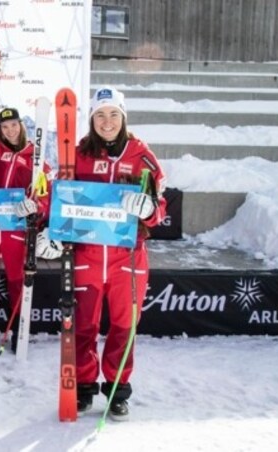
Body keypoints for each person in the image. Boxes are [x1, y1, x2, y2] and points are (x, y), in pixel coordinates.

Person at [73, 86, 167, 421]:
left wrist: (149, 209)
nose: (107, 121)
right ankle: (83, 386)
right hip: (86, 254)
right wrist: (48, 230)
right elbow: (61, 198)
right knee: (82, 325)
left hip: (127, 256)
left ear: (123, 117)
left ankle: (116, 389)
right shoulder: (80, 153)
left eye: (113, 114)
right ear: (92, 119)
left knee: (124, 327)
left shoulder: (141, 155)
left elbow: (160, 208)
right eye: (100, 114)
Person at [0, 75, 59, 350]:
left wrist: (36, 207)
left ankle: (19, 328)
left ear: (21, 125)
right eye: (5, 126)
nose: (10, 130)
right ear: (0, 130)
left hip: (16, 230)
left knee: (17, 280)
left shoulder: (36, 158)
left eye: (14, 124)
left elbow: (46, 195)